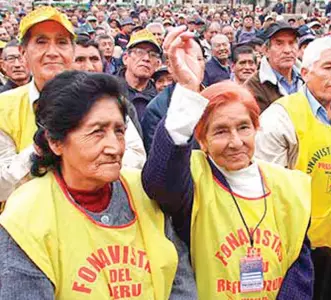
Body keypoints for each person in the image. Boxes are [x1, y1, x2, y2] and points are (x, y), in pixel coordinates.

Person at [142, 26, 313, 300]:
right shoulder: (193, 178)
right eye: (220, 131)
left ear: (257, 128)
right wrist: (187, 90)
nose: (235, 142)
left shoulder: (289, 185)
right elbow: (159, 183)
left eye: (243, 128)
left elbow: (298, 270)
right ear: (203, 140)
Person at [0, 71, 197, 300]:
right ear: (55, 141)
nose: (115, 147)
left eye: (119, 131)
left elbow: (180, 284)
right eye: (97, 132)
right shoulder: (25, 216)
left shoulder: (143, 190)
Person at [255, 36, 331, 300]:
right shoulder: (280, 116)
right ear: (305, 73)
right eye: (328, 67)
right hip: (301, 244)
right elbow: (264, 184)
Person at [0, 6, 76, 202]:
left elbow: (133, 160)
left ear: (72, 51)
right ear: (23, 52)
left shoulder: (101, 100)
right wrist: (39, 147)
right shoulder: (3, 107)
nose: (52, 52)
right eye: (41, 42)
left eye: (61, 42)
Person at [245, 22, 302, 113]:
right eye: (279, 44)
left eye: (291, 43)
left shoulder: (308, 78)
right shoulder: (254, 86)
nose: (287, 50)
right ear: (266, 50)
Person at [121, 29, 161, 120]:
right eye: (139, 52)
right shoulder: (108, 90)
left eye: (153, 54)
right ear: (125, 59)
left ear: (158, 64)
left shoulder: (160, 99)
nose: (146, 58)